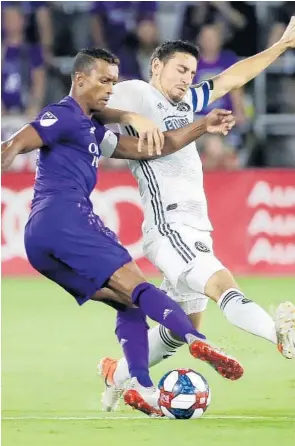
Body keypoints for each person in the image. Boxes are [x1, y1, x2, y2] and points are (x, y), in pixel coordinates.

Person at [1, 47, 240, 417]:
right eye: (103, 80)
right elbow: (12, 146)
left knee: (125, 300)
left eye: (114, 80)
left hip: (39, 243)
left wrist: (201, 126)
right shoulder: (61, 115)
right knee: (139, 286)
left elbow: (156, 148)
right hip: (65, 217)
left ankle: (142, 387)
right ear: (80, 79)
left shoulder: (93, 130)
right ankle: (197, 340)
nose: (110, 88)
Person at [97, 19, 295, 411]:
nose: (187, 78)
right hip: (169, 226)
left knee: (180, 330)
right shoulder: (138, 93)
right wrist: (129, 120)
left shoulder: (186, 104)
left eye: (191, 71)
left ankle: (115, 374)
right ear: (156, 67)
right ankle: (279, 333)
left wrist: (282, 45)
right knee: (223, 283)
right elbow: (90, 103)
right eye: (179, 69)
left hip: (194, 228)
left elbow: (231, 78)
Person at [1, 4, 46, 118]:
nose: (9, 23)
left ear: (22, 21)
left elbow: (39, 83)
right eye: (6, 19)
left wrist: (34, 105)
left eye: (13, 19)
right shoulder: (2, 49)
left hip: (25, 111)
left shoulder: (33, 51)